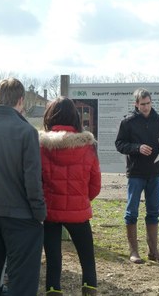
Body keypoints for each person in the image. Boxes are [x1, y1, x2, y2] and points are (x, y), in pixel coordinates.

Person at [0, 77, 46, 296]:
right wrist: (39, 212)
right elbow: (32, 178)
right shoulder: (27, 132)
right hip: (22, 215)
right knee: (22, 280)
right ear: (21, 100)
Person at [39, 97, 101, 296]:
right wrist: (81, 199)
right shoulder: (87, 145)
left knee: (53, 258)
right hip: (79, 212)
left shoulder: (41, 146)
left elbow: (36, 179)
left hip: (49, 211)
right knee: (87, 258)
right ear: (75, 117)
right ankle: (89, 288)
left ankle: (53, 289)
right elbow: (95, 184)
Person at [115, 88, 159, 264]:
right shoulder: (128, 122)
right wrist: (137, 148)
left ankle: (153, 251)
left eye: (148, 103)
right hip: (136, 174)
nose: (146, 107)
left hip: (155, 173)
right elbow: (119, 144)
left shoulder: (158, 120)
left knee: (154, 211)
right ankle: (134, 251)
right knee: (132, 212)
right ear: (136, 104)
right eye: (143, 104)